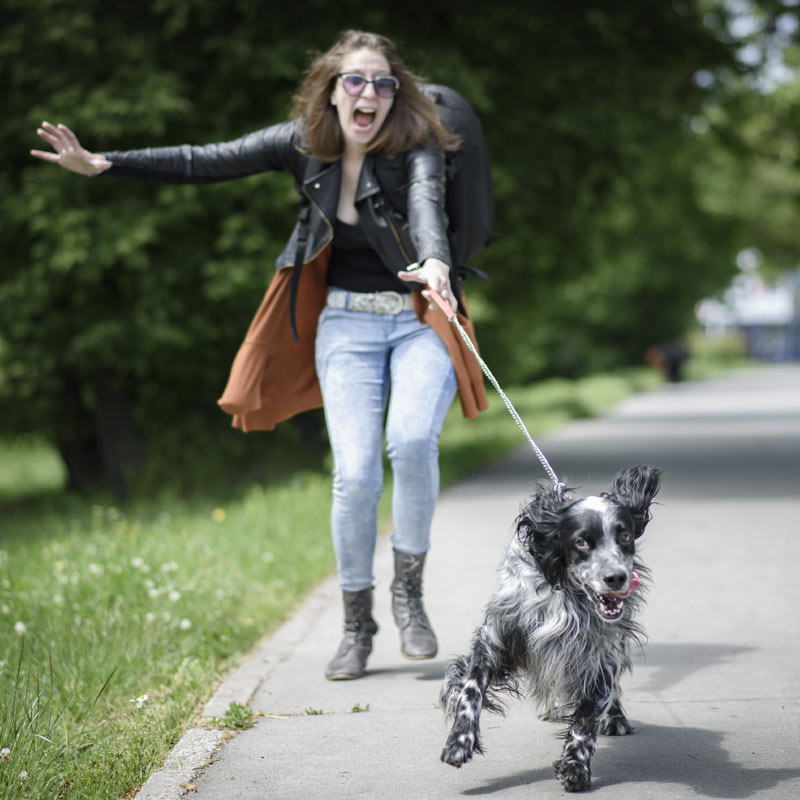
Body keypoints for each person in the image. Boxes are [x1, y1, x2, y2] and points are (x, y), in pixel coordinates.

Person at [31, 29, 488, 681]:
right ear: (331, 91)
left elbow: (427, 203)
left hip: (419, 319)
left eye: (383, 83)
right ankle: (357, 624)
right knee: (355, 473)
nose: (370, 94)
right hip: (346, 325)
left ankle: (407, 595)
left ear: (396, 95)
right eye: (355, 81)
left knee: (412, 444)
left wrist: (437, 260)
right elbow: (203, 159)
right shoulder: (300, 143)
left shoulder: (415, 145)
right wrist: (105, 163)